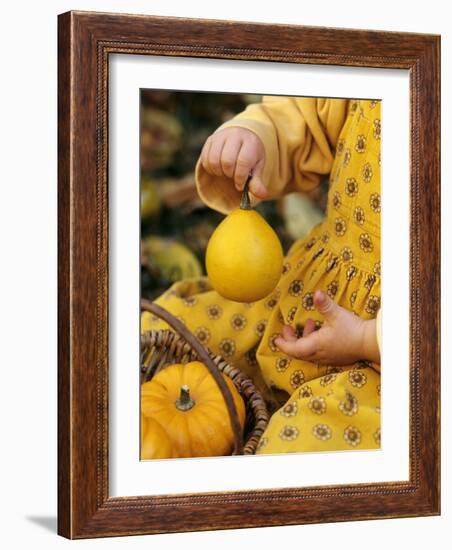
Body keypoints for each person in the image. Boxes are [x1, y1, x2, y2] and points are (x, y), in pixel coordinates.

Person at [142, 96, 382, 453]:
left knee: (300, 451)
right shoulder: (387, 63)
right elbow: (306, 114)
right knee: (168, 332)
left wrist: (369, 338)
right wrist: (257, 135)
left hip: (397, 361)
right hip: (308, 287)